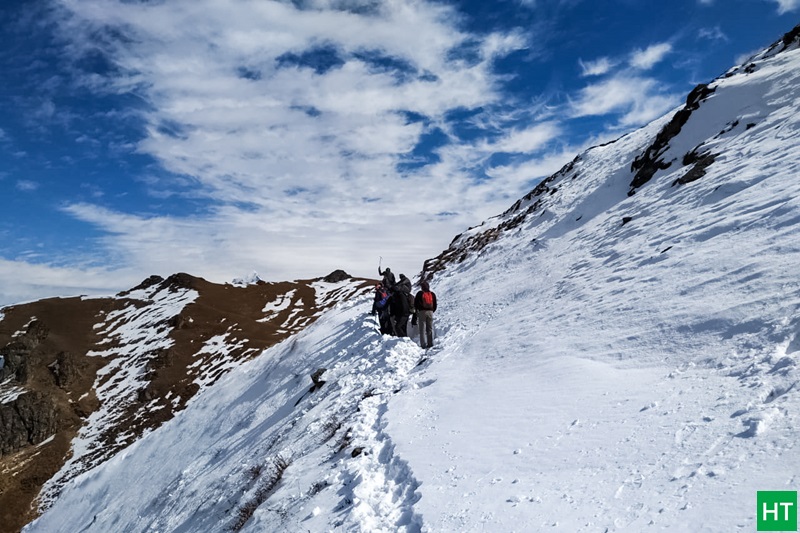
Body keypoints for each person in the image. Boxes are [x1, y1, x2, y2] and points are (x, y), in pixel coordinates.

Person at [414, 280, 437, 349]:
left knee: (422, 329)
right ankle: (430, 343)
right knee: (429, 329)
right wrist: (432, 311)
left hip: (422, 312)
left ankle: (423, 345)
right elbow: (435, 304)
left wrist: (418, 310)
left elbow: (416, 303)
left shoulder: (419, 293)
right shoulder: (432, 294)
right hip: (430, 312)